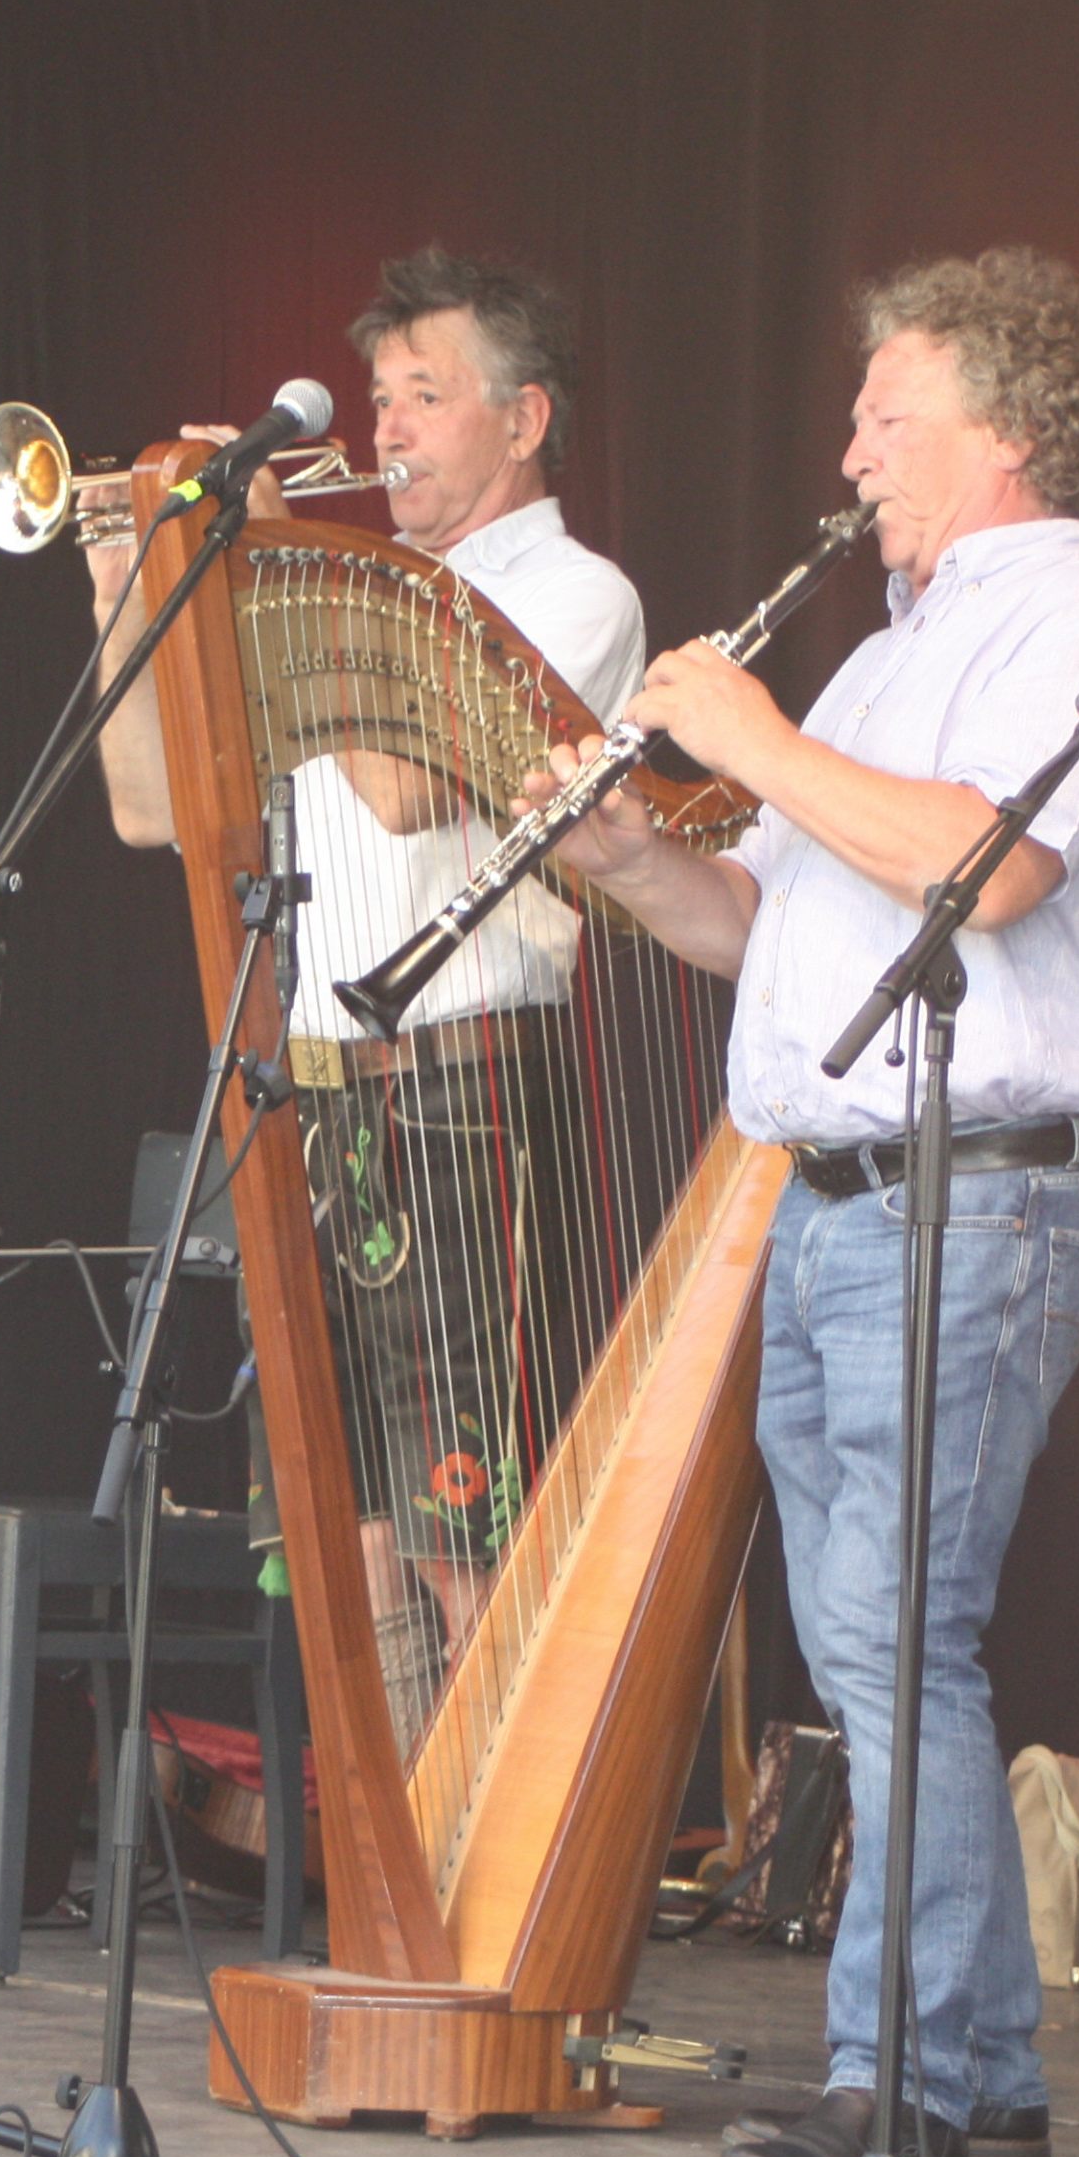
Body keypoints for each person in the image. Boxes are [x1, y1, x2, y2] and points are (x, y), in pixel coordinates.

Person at [534, 247, 1079, 2157]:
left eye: (882, 414)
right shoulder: (889, 650)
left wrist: (742, 737)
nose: (846, 449)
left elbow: (978, 869)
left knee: (902, 1635)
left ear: (1002, 431)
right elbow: (790, 931)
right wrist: (633, 857)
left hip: (976, 1196)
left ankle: (884, 2077)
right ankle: (980, 2072)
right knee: (879, 1645)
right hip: (836, 1196)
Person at [87, 249, 645, 1711]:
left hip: (460, 1084)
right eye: (380, 396)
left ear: (522, 422)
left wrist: (273, 570)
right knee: (351, 1534)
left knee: (460, 1519)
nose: (384, 430)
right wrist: (123, 589)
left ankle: (480, 1861)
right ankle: (398, 1848)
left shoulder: (574, 594)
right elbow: (148, 809)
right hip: (311, 1077)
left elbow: (406, 794)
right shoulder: (341, 591)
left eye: (422, 396)